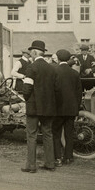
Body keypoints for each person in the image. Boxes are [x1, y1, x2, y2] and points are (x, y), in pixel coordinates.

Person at [21, 40, 57, 173]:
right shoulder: (51, 68)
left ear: (35, 52)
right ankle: (50, 163)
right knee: (48, 134)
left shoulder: (31, 67)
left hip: (34, 107)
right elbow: (56, 89)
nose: (30, 55)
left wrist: (26, 100)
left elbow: (27, 88)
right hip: (48, 108)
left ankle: (31, 165)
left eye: (31, 53)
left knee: (32, 135)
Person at [51, 49, 83, 166]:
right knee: (69, 134)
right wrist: (76, 107)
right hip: (71, 109)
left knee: (56, 133)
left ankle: (57, 158)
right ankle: (68, 157)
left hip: (58, 109)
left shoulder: (54, 71)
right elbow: (79, 93)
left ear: (58, 58)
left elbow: (52, 91)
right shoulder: (75, 73)